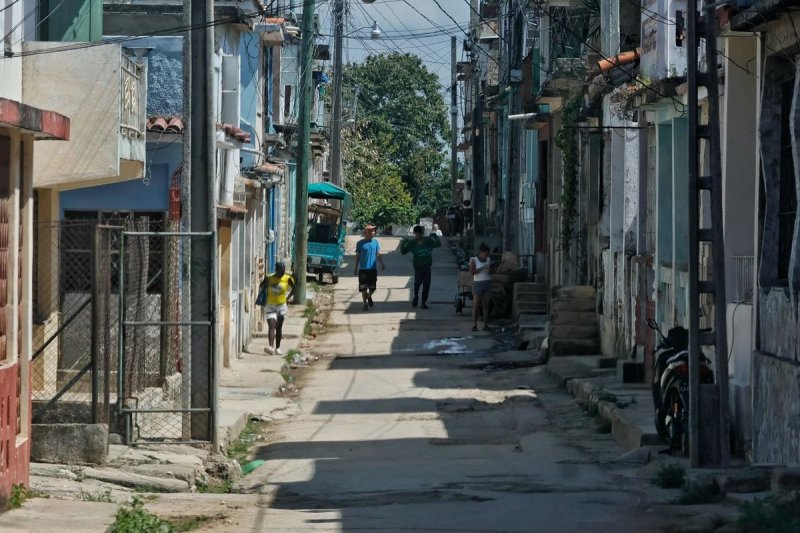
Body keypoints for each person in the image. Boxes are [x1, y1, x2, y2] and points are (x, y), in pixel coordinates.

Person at [400, 225, 441, 309]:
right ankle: (416, 296)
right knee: (417, 283)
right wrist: (403, 243)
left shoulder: (429, 241)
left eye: (419, 233)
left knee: (426, 285)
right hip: (418, 267)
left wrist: (435, 236)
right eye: (416, 233)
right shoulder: (412, 243)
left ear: (422, 233)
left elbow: (438, 244)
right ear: (414, 233)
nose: (418, 235)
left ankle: (423, 302)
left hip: (427, 267)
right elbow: (403, 252)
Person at [259, 261, 294, 355]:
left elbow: (294, 288)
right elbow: (261, 286)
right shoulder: (269, 277)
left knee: (279, 327)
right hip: (270, 305)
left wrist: (287, 298)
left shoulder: (287, 278)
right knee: (271, 326)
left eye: (282, 272)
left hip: (281, 306)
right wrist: (265, 286)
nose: (281, 274)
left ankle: (278, 347)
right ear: (276, 270)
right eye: (279, 272)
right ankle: (271, 347)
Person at [354, 225, 385, 311]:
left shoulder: (375, 242)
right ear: (366, 232)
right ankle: (365, 304)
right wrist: (355, 267)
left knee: (372, 288)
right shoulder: (360, 243)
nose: (374, 232)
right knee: (363, 288)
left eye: (374, 230)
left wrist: (382, 264)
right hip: (363, 270)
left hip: (372, 270)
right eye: (372, 231)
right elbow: (357, 256)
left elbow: (378, 254)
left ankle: (369, 296)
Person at [469, 243, 492, 332]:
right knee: (476, 305)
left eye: (488, 254)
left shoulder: (488, 259)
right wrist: (482, 268)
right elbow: (471, 272)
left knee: (486, 305)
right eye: (485, 254)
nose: (487, 256)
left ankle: (485, 324)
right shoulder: (474, 260)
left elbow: (490, 270)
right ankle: (475, 325)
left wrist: (490, 270)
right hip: (478, 283)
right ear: (481, 253)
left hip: (487, 282)